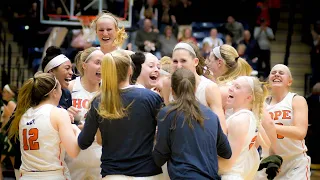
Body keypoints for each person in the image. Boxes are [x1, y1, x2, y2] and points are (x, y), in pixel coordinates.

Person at [78, 49, 163, 179]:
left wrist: (73, 128)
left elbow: (84, 142)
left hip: (113, 174)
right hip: (147, 173)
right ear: (130, 70)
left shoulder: (98, 101)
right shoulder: (151, 97)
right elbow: (166, 135)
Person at [153, 68, 232, 179]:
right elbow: (226, 152)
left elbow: (161, 154)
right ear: (195, 89)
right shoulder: (211, 115)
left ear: (172, 91)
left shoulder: (167, 114)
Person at [8, 73, 81, 180]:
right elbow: (74, 152)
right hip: (51, 175)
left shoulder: (24, 115)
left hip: (26, 176)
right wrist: (76, 130)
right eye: (60, 89)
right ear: (54, 92)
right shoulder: (59, 113)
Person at [257, 64, 310, 179]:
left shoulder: (296, 100)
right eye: (273, 72)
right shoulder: (261, 104)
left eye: (281, 73)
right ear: (269, 80)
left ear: (289, 82)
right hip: (268, 161)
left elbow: (300, 133)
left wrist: (269, 126)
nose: (276, 74)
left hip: (294, 162)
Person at [161, 42, 227, 134]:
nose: (179, 66)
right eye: (175, 61)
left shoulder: (209, 88)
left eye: (183, 61)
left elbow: (221, 127)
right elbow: (168, 117)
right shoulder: (167, 83)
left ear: (195, 62)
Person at [218, 76, 269, 179]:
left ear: (249, 97)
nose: (230, 88)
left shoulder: (240, 120)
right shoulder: (248, 117)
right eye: (232, 85)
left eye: (237, 87)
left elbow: (229, 163)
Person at [66, 47, 104, 180]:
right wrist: (65, 113)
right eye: (98, 62)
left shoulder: (108, 90)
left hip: (99, 154)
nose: (102, 67)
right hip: (74, 154)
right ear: (84, 65)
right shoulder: (70, 87)